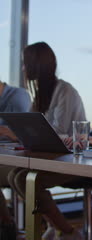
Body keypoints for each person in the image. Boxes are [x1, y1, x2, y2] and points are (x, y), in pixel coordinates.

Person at [7, 42, 87, 240]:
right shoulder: (41, 95)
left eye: (26, 64)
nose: (24, 69)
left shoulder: (65, 91)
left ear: (37, 65)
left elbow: (58, 133)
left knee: (25, 180)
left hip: (71, 160)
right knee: (13, 177)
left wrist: (17, 134)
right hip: (51, 158)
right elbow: (36, 130)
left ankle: (68, 231)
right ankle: (56, 226)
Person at [0, 81, 31, 238]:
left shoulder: (18, 97)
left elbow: (28, 134)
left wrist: (6, 132)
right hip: (4, 158)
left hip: (18, 159)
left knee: (20, 178)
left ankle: (6, 225)